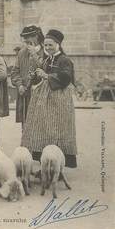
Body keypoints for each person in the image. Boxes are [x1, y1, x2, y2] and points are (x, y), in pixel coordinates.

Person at [21, 29, 77, 168]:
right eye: (45, 45)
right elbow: (42, 73)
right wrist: (35, 75)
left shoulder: (65, 60)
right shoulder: (48, 59)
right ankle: (46, 164)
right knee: (43, 129)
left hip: (59, 100)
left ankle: (56, 166)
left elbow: (66, 77)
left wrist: (47, 76)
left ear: (58, 44)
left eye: (50, 45)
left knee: (56, 130)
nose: (47, 48)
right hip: (45, 100)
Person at [11, 25, 45, 127]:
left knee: (40, 125)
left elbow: (47, 69)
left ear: (37, 36)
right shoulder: (21, 53)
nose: (26, 40)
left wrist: (35, 55)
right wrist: (19, 85)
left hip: (41, 94)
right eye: (24, 38)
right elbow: (14, 72)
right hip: (25, 94)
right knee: (25, 126)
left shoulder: (46, 52)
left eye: (29, 36)